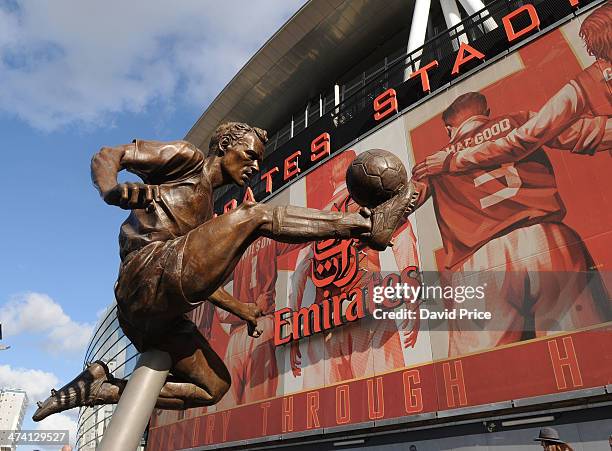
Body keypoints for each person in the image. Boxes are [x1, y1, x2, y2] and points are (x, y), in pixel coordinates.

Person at [32, 121, 419, 421]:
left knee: (213, 386)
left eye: (257, 161)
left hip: (154, 312)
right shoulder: (186, 158)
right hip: (144, 277)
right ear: (223, 147)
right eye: (248, 155)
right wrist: (111, 190)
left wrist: (241, 309)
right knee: (255, 215)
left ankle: (102, 389)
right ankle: (364, 226)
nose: (253, 165)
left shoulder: (204, 212)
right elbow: (106, 155)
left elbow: (194, 276)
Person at [402, 91, 609, 355]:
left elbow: (398, 207)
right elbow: (584, 133)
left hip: (480, 263)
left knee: (483, 379)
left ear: (449, 129)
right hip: (546, 240)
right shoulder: (520, 121)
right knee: (590, 357)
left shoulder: (433, 161)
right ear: (487, 113)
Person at [412, 1, 611, 180]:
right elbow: (555, 134)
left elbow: (527, 137)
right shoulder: (589, 82)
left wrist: (452, 160)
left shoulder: (588, 82)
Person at [289, 150, 421, 387]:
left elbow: (299, 274)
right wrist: (413, 300)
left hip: (327, 318)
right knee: (388, 394)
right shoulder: (373, 196)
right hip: (369, 307)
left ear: (332, 181)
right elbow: (403, 241)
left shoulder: (319, 217)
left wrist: (293, 332)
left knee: (330, 411)